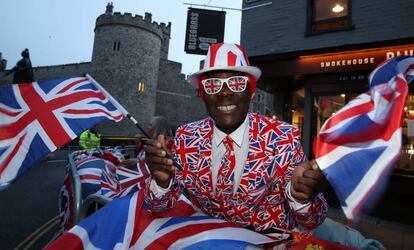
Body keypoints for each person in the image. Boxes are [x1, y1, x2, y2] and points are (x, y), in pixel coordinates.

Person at [144, 43, 328, 236]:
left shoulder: (283, 138)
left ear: (252, 93)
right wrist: (161, 182)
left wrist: (301, 198)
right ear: (203, 96)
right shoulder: (186, 138)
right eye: (213, 85)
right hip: (209, 241)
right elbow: (158, 207)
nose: (225, 92)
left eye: (237, 83)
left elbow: (314, 220)